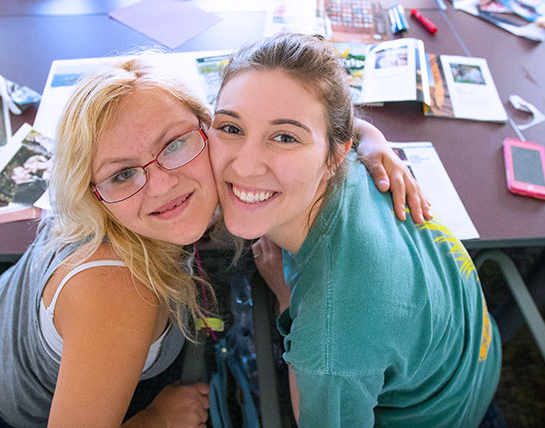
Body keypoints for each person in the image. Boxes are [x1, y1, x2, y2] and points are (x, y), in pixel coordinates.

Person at [0, 54, 427, 427]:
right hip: (24, 395)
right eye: (123, 174)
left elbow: (294, 104)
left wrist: (369, 138)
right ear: (93, 191)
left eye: (173, 144)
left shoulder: (136, 195)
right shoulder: (122, 295)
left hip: (6, 312)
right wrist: (155, 420)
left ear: (209, 127)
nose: (164, 184)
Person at [207, 33, 501, 427]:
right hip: (471, 358)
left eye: (284, 137)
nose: (244, 167)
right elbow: (342, 128)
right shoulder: (362, 164)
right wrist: (372, 136)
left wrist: (285, 301)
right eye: (230, 128)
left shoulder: (329, 340)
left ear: (334, 154)